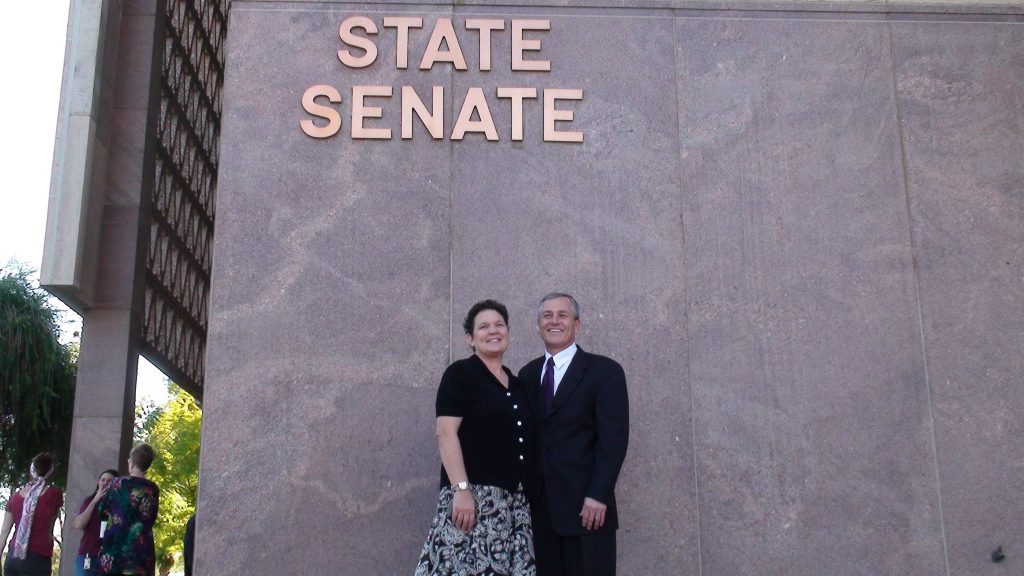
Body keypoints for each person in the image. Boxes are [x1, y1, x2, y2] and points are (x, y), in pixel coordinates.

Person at [415, 299, 536, 575]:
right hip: (471, 502)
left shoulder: (518, 385)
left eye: (499, 325)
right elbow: (445, 433)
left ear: (508, 332)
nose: (493, 331)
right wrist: (461, 490)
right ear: (470, 338)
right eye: (483, 327)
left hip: (513, 507)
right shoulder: (460, 375)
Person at [519, 293, 629, 576]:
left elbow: (613, 439)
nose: (554, 321)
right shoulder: (527, 375)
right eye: (547, 316)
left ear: (577, 325)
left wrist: (598, 495)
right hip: (540, 514)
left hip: (588, 511)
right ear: (538, 325)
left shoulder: (605, 372)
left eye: (562, 315)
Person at [97, 444, 160, 576]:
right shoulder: (152, 489)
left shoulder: (117, 484)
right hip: (140, 552)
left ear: (131, 462)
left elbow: (102, 509)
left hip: (115, 549)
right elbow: (151, 518)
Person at [0, 453, 64, 576]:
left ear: (31, 470)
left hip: (13, 556)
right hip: (37, 557)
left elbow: (4, 532)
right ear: (51, 472)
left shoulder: (15, 498)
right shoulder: (54, 494)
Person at [72, 469, 119, 576]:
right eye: (103, 480)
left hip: (109, 556)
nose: (105, 483)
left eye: (109, 481)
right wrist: (94, 501)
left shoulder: (118, 504)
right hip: (88, 554)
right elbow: (79, 524)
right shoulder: (89, 501)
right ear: (98, 482)